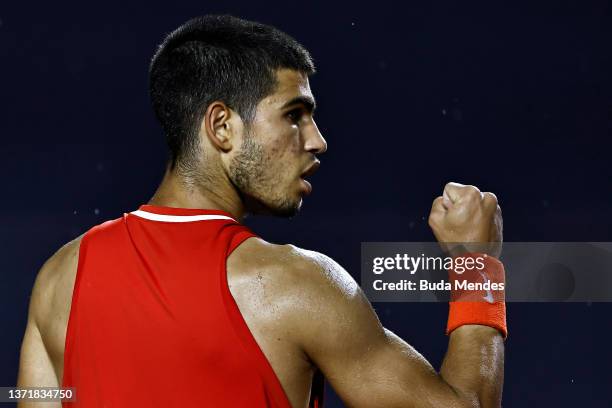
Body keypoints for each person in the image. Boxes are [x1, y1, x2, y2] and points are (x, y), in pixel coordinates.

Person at [17, 15, 506, 408]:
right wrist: (476, 262)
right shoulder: (297, 285)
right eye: (294, 115)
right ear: (222, 126)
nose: (317, 141)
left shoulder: (58, 278)